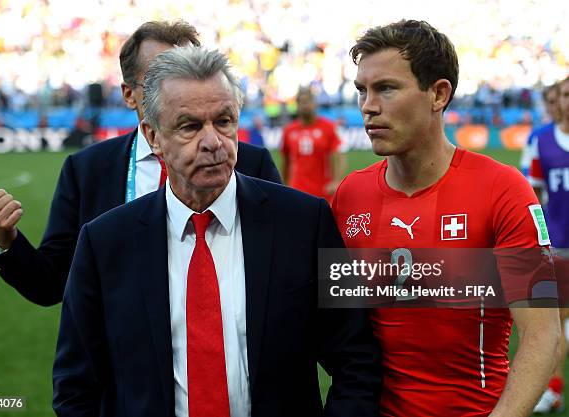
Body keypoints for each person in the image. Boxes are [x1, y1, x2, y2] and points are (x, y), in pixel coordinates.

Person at [52, 46, 381, 417]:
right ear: (153, 136)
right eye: (190, 126)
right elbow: (75, 386)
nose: (213, 141)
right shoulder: (104, 242)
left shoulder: (307, 223)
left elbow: (357, 359)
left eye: (224, 121)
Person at [332, 20, 560, 416]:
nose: (368, 105)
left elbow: (543, 335)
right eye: (361, 91)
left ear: (438, 94)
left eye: (386, 88)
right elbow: (337, 329)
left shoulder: (503, 190)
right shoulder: (350, 195)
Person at [0, 21, 281, 307]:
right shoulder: (87, 171)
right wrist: (7, 242)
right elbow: (51, 284)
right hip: (128, 366)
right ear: (130, 95)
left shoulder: (251, 164)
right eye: (162, 78)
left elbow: (301, 275)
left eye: (191, 72)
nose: (182, 90)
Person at [529, 76, 569, 414]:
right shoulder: (541, 140)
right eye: (565, 95)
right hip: (560, 244)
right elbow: (534, 197)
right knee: (555, 320)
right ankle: (553, 387)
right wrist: (542, 237)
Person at [281, 86, 346, 200]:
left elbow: (339, 156)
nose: (305, 105)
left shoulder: (328, 127)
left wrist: (336, 181)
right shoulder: (289, 130)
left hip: (322, 191)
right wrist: (284, 185)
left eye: (308, 101)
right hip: (297, 190)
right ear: (297, 106)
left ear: (315, 104)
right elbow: (285, 161)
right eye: (302, 102)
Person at [520, 83, 562, 177]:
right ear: (546, 106)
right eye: (552, 102)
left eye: (560, 99)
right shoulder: (536, 136)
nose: (558, 106)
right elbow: (527, 170)